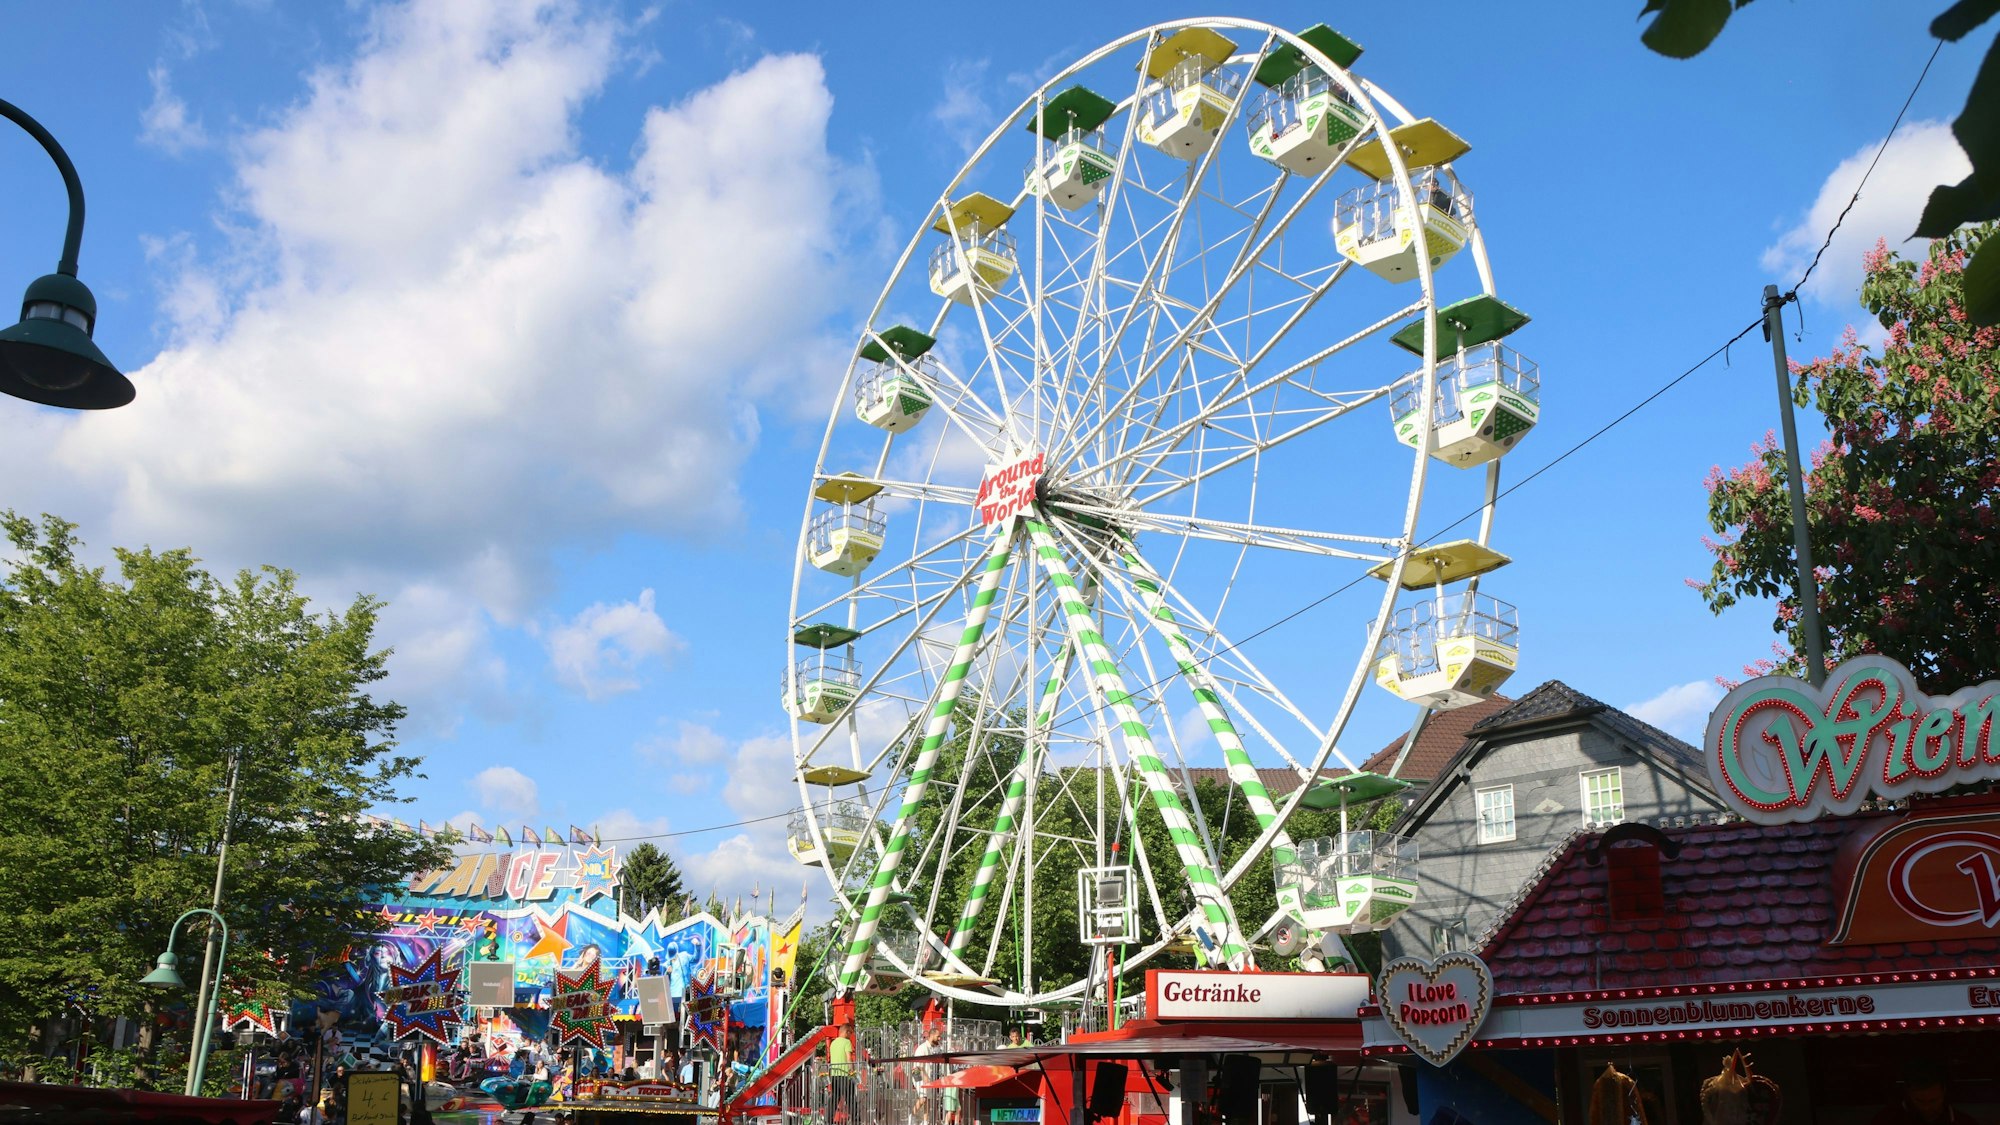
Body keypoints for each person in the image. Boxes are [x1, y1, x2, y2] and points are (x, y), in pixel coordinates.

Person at [1872, 1062, 1981, 1125]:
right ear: (1908, 1093)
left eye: (1933, 1100)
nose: (1927, 1107)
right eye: (1920, 1101)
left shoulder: (1963, 1122)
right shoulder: (1885, 1121)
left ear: (1944, 1092)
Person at [826, 1029, 856, 1124]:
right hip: (845, 1074)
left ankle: (828, 1120)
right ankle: (856, 1120)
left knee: (834, 1098)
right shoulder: (847, 1042)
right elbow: (849, 1058)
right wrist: (852, 1071)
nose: (850, 1035)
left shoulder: (833, 1043)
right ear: (846, 1032)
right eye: (850, 1033)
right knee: (850, 1098)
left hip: (835, 1074)